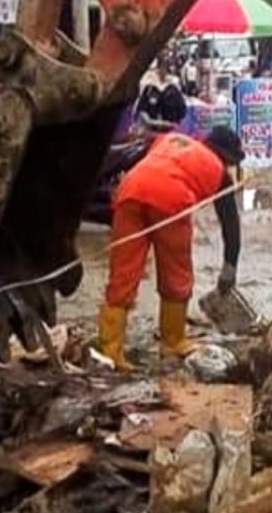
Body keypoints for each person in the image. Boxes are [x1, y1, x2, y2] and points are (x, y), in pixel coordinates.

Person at [98, 126, 246, 371]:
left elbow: (130, 159)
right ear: (226, 156)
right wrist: (230, 265)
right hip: (171, 199)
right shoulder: (218, 171)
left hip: (130, 191)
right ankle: (173, 341)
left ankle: (110, 352)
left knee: (122, 274)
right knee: (177, 274)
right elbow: (230, 222)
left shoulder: (169, 139)